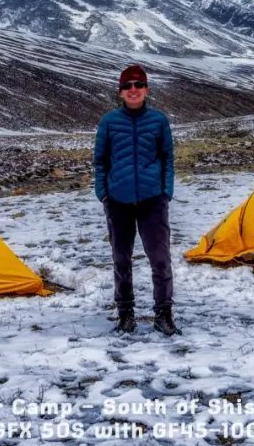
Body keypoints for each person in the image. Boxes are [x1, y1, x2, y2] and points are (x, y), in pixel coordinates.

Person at [93, 64, 178, 336]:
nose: (133, 90)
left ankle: (163, 314)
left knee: (160, 260)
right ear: (120, 92)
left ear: (146, 90)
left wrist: (166, 192)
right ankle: (125, 314)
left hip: (153, 200)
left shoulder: (158, 121)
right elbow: (100, 162)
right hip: (118, 200)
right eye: (127, 86)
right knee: (121, 259)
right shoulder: (109, 122)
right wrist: (103, 194)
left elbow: (168, 159)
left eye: (138, 85)